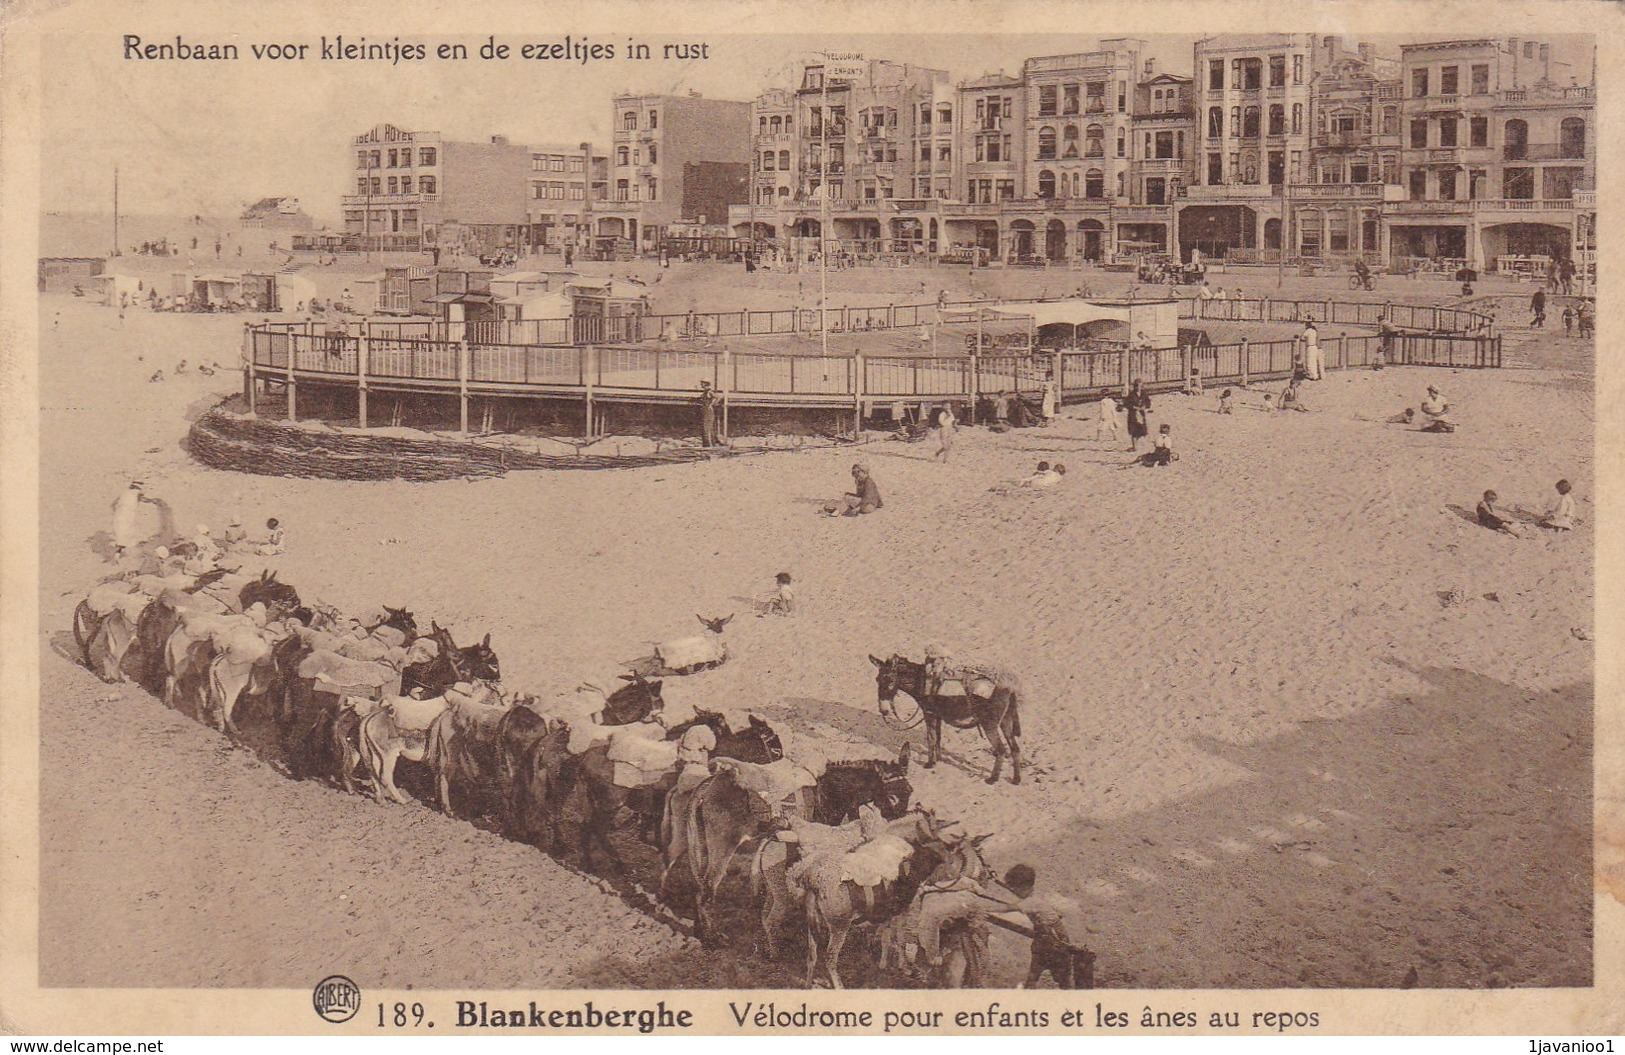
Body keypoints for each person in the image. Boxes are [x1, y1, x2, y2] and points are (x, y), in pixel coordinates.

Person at [1001, 864, 1090, 990]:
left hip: (1054, 941)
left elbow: (1007, 908)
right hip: (1045, 939)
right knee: (1039, 974)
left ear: (1022, 888)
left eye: (1013, 889)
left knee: (1057, 976)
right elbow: (1059, 914)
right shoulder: (1036, 897)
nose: (1012, 892)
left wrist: (985, 907)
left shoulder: (1030, 902)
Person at [1123, 380, 1151, 452]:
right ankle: (1134, 447)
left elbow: (1148, 402)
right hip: (1133, 415)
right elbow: (1126, 404)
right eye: (1138, 386)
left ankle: (1142, 445)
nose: (1139, 387)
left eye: (1141, 386)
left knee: (1142, 430)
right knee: (1133, 430)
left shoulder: (1144, 393)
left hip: (1141, 414)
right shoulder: (1131, 395)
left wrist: (1144, 406)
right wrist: (1133, 407)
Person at [697, 381, 720, 447]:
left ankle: (710, 444)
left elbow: (718, 397)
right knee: (704, 427)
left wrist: (711, 404)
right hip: (704, 410)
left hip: (708, 410)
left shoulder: (709, 391)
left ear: (706, 384)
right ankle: (706, 444)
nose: (701, 384)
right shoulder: (704, 392)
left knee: (708, 427)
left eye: (702, 383)